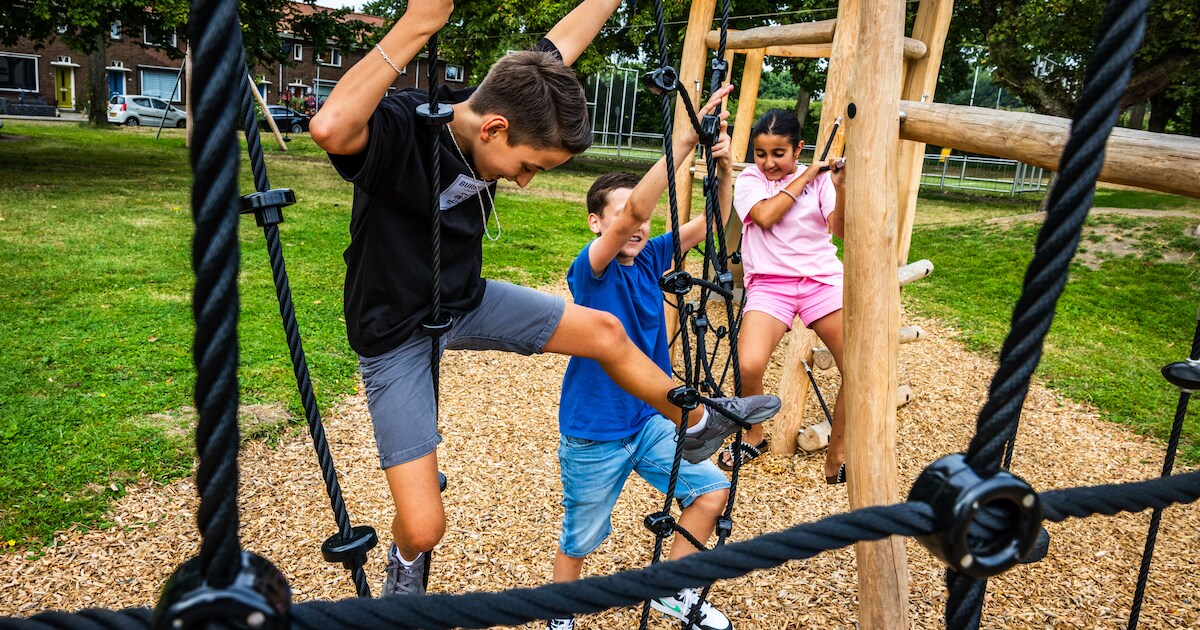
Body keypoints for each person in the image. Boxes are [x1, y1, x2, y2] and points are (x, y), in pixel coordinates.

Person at [309, 1, 781, 598]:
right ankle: (405, 566)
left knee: (605, 332)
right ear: (493, 128)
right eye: (528, 166)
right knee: (426, 526)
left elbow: (559, 45)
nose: (526, 180)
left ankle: (697, 417)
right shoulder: (405, 128)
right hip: (394, 331)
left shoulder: (518, 94)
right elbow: (329, 128)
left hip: (465, 298)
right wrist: (420, 22)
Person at [547, 89, 743, 630]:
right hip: (595, 431)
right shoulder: (593, 269)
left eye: (642, 220)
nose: (637, 226)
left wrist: (722, 170)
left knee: (712, 492)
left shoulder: (653, 253)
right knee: (582, 534)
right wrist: (682, 143)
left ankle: (670, 592)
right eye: (622, 219)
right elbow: (634, 210)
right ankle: (559, 614)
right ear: (596, 225)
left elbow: (711, 222)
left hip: (649, 419)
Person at [719, 109, 847, 484]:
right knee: (749, 364)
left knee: (855, 368)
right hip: (770, 284)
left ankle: (837, 455)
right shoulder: (750, 181)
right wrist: (806, 174)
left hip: (820, 280)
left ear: (798, 148)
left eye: (779, 154)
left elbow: (838, 230)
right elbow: (764, 217)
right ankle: (753, 435)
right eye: (762, 153)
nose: (769, 162)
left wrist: (838, 185)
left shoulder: (822, 182)